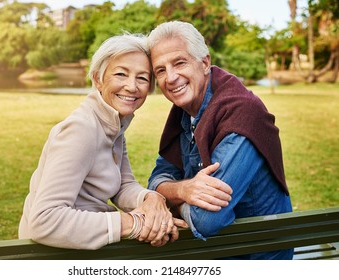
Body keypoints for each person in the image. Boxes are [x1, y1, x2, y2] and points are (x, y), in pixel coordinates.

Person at [18, 33, 187, 250]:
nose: (132, 86)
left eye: (142, 78)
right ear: (98, 79)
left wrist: (151, 200)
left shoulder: (113, 125)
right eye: (120, 74)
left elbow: (122, 186)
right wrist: (134, 223)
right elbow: (44, 221)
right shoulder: (82, 130)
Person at [147, 21, 293, 259]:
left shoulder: (242, 113)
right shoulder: (186, 111)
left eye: (179, 62)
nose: (171, 78)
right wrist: (184, 189)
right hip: (220, 253)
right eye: (160, 70)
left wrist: (169, 199)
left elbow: (205, 219)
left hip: (257, 258)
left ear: (204, 63)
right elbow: (157, 177)